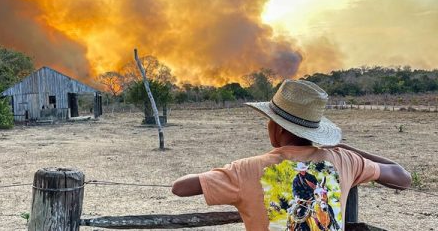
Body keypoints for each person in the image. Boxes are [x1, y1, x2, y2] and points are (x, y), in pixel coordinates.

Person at [172, 79, 411, 230]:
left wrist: (227, 175)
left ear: (276, 127)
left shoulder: (246, 169)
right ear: (315, 130)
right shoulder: (343, 161)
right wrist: (343, 149)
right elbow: (401, 176)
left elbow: (180, 187)